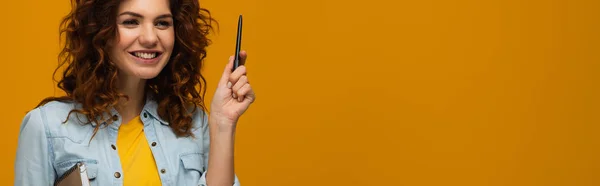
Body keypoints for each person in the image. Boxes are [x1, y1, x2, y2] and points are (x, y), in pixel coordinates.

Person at [14, 0, 254, 185]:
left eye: (162, 22)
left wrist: (223, 124)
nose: (150, 38)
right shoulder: (46, 127)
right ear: (101, 31)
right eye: (131, 22)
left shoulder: (193, 123)